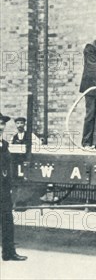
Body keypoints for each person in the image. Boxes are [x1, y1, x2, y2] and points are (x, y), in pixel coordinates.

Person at [0, 112, 27, 261]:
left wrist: (9, 186)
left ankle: (9, 253)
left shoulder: (4, 144)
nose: (0, 127)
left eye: (2, 123)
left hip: (3, 190)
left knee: (7, 221)